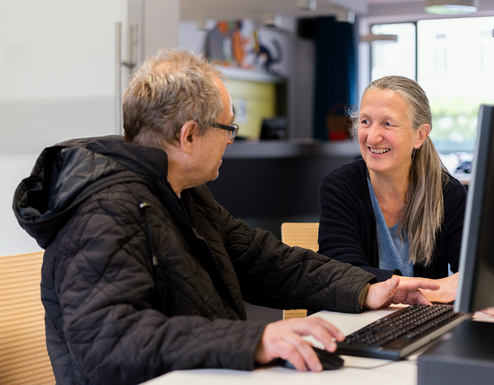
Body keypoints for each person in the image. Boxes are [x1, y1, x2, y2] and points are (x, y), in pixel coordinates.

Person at [13, 50, 439, 384]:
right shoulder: (103, 210)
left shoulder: (182, 192)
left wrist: (369, 288)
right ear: (189, 134)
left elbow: (263, 260)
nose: (231, 141)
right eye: (228, 128)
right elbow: (113, 343)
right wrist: (254, 339)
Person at [318, 75, 467, 303]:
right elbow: (345, 276)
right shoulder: (340, 187)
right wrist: (436, 288)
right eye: (366, 121)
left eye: (387, 123)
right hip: (355, 326)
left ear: (420, 135)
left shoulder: (448, 192)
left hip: (421, 327)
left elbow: (472, 274)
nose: (373, 136)